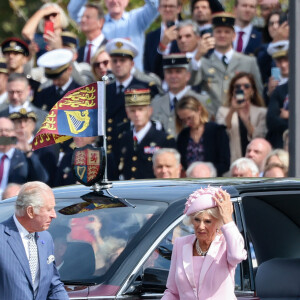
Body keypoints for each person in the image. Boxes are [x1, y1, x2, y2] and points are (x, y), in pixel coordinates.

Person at [162, 186, 247, 299]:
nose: (201, 227)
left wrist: (227, 218)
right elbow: (172, 292)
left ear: (218, 222)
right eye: (197, 220)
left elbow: (237, 255)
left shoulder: (226, 244)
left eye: (207, 221)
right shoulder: (181, 244)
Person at [0, 181, 69, 299]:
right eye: (49, 209)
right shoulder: (2, 237)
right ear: (30, 211)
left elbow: (54, 286)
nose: (54, 215)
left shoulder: (46, 238)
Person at [190, 12, 263, 117]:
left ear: (234, 36)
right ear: (213, 35)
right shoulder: (203, 62)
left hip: (242, 119)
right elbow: (192, 82)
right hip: (213, 119)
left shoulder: (248, 61)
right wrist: (197, 57)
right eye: (218, 32)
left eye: (227, 32)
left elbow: (258, 93)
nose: (222, 35)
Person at [68, 0, 159, 71]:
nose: (114, 1)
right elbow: (73, 11)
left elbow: (156, 5)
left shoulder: (137, 19)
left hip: (133, 83)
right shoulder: (98, 23)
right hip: (106, 82)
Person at [117, 88, 176, 180]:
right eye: (133, 110)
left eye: (141, 110)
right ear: (127, 113)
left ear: (149, 111)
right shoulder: (125, 138)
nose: (137, 114)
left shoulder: (163, 139)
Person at [151, 53, 211, 137]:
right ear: (164, 76)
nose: (173, 76)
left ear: (187, 76)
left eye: (178, 72)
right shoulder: (155, 103)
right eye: (169, 72)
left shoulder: (202, 101)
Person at [216, 72, 267, 163]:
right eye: (237, 86)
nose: (242, 89)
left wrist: (245, 120)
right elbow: (221, 132)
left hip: (255, 163)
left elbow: (259, 137)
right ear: (232, 91)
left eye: (246, 86)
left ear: (252, 91)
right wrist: (232, 110)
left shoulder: (262, 112)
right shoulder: (222, 111)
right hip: (232, 162)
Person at [176, 95, 230, 176]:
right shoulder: (183, 135)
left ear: (199, 109)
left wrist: (205, 172)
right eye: (183, 120)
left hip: (212, 181)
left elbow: (225, 163)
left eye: (190, 118)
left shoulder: (217, 131)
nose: (187, 123)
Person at [0, 117, 49, 198]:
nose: (4, 134)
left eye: (7, 130)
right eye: (0, 131)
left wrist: (28, 152)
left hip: (13, 201)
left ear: (14, 133)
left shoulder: (24, 156)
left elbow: (43, 179)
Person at [144, 0, 182, 74]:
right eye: (164, 6)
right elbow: (148, 68)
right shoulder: (151, 37)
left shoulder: (187, 31)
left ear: (179, 8)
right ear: (159, 9)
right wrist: (162, 46)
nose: (167, 9)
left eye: (171, 6)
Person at [266, 40, 289, 148]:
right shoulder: (276, 89)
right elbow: (271, 121)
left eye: (287, 60)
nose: (283, 65)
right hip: (280, 141)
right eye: (279, 61)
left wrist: (290, 115)